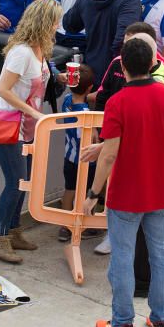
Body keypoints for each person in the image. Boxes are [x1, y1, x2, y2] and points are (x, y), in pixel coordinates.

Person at [84, 37, 164, 327]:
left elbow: (110, 153)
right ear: (154, 63)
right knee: (161, 255)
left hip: (125, 196)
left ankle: (122, 323)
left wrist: (93, 194)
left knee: (122, 257)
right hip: (161, 193)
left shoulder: (116, 103)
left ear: (122, 67)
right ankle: (161, 322)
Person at [0, 0, 63, 263]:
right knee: (15, 182)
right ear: (44, 23)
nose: (58, 26)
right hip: (12, 126)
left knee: (24, 181)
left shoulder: (39, 50)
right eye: (55, 21)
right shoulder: (21, 52)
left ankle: (13, 232)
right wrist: (32, 112)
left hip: (27, 128)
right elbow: (4, 90)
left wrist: (59, 78)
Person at [62, 0, 140, 83]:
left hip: (91, 73)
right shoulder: (130, 2)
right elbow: (123, 41)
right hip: (114, 79)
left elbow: (69, 24)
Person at [59, 63, 96, 231]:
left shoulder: (66, 100)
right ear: (90, 88)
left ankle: (65, 226)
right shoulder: (86, 114)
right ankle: (84, 225)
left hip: (69, 156)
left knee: (70, 190)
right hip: (86, 161)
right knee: (87, 191)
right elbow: (89, 140)